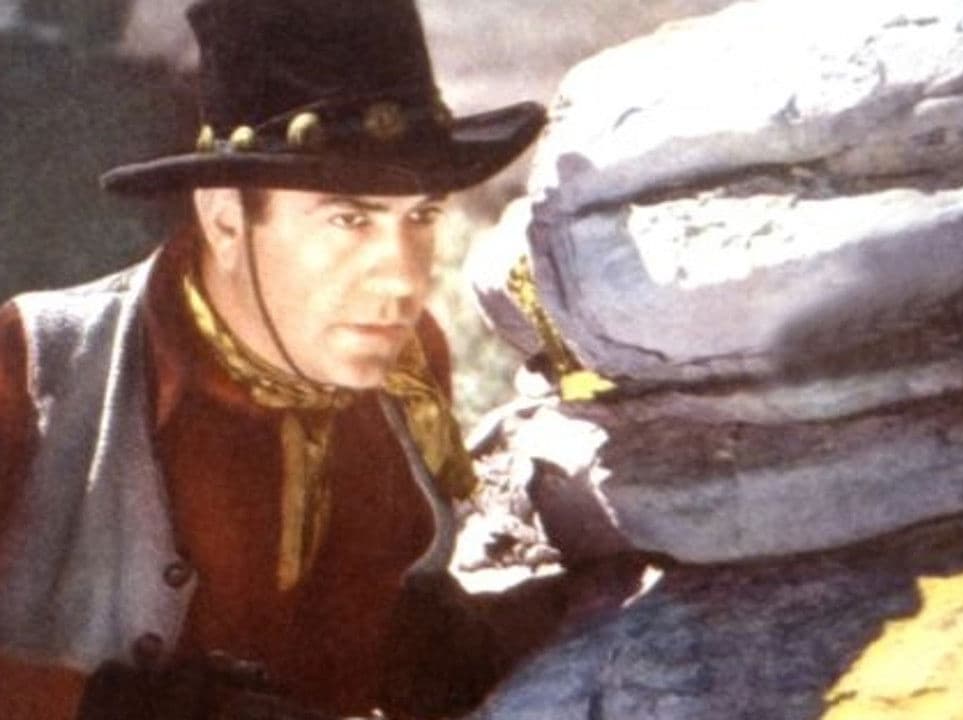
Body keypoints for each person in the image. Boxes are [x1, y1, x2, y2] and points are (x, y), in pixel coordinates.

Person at [0, 0, 581, 717]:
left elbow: (383, 632)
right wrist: (126, 708)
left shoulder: (404, 369)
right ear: (225, 219)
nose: (401, 279)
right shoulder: (34, 366)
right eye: (349, 219)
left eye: (421, 217)